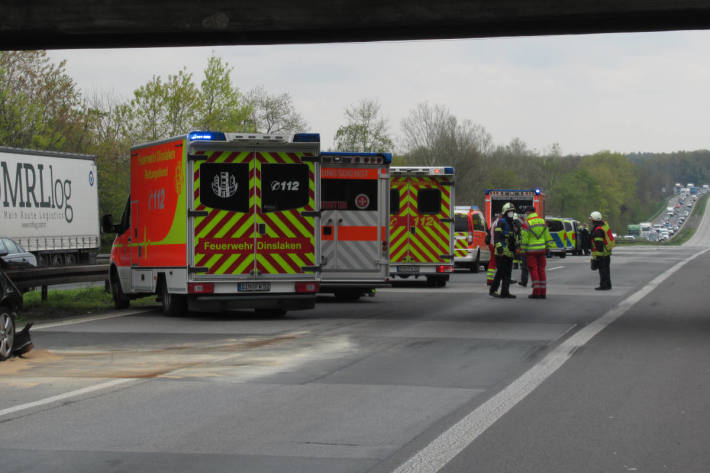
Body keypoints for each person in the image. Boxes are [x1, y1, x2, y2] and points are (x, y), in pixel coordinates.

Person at [520, 209, 554, 299]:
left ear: (528, 213)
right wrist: (547, 248)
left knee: (533, 270)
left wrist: (523, 251)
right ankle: (543, 292)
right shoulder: (543, 221)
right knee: (541, 270)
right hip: (542, 250)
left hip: (531, 251)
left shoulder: (526, 223)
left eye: (526, 213)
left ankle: (536, 292)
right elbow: (547, 236)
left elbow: (524, 239)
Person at [489, 202, 518, 298]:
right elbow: (497, 237)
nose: (511, 213)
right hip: (501, 253)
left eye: (512, 211)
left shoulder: (512, 223)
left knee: (508, 274)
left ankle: (505, 292)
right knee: (500, 273)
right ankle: (493, 290)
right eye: (509, 211)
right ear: (505, 212)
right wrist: (500, 248)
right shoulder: (502, 222)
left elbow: (513, 238)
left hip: (509, 253)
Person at [590, 211, 615, 290]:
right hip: (606, 252)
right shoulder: (604, 225)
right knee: (606, 270)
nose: (590, 221)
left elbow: (599, 243)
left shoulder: (598, 229)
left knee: (603, 270)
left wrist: (598, 255)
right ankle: (608, 285)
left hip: (602, 253)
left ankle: (604, 286)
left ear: (594, 219)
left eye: (591, 219)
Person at [485, 213, 499, 286]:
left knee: (493, 262)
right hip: (494, 245)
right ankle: (491, 280)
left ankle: (490, 279)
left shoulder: (494, 223)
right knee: (495, 262)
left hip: (492, 244)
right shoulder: (497, 223)